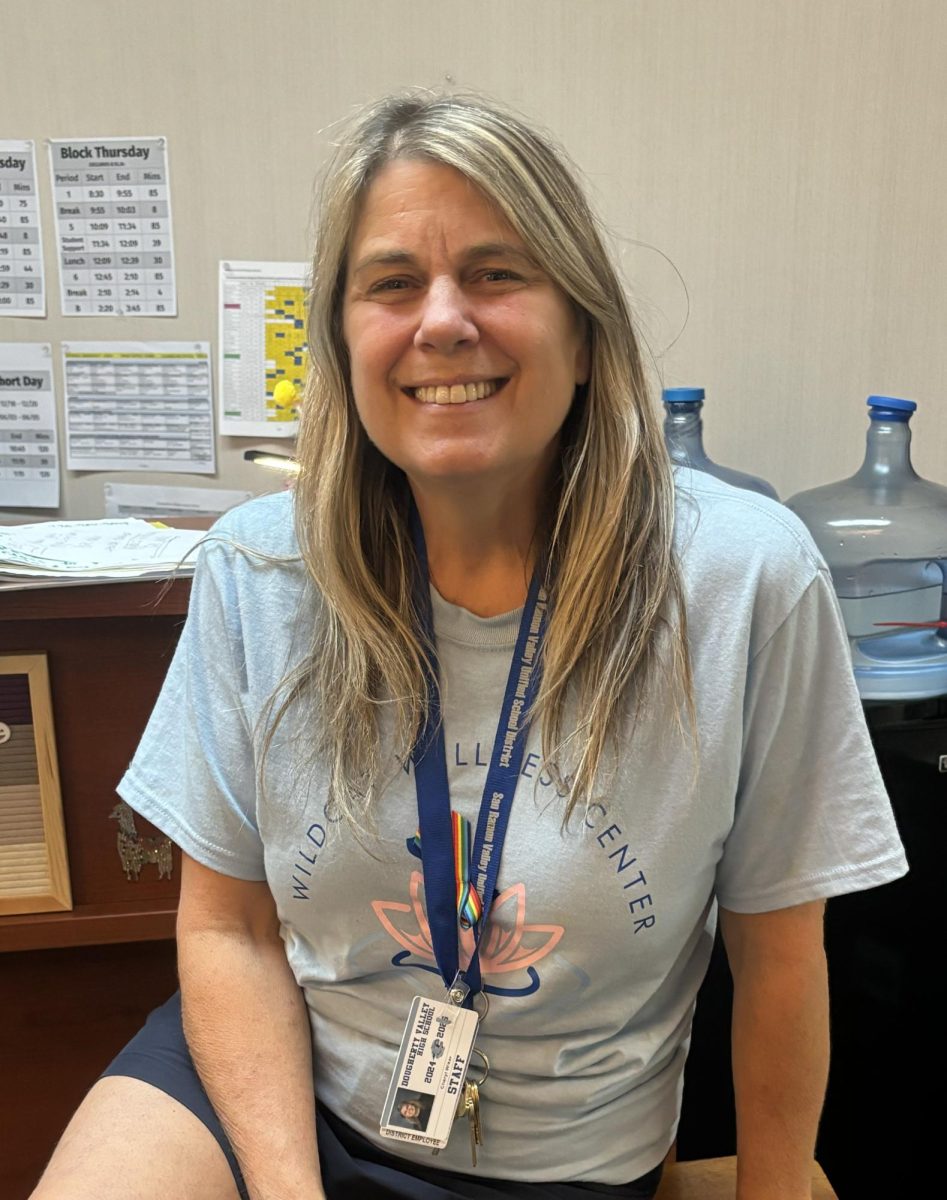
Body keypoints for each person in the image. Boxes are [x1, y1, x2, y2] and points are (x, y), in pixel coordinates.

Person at [31, 93, 906, 1200]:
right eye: (391, 283)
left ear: (584, 335)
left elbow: (778, 954)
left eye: (496, 273)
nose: (441, 321)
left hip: (559, 1152)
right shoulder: (258, 569)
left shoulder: (744, 578)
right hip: (275, 1082)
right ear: (344, 341)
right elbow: (231, 928)